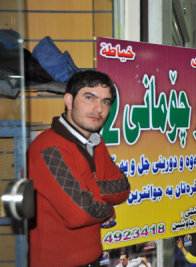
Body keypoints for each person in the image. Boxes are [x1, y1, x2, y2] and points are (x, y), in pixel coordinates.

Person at [28, 70, 131, 266]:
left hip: (94, 258)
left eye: (105, 102)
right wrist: (108, 209)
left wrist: (87, 188)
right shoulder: (48, 148)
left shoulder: (95, 142)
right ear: (69, 100)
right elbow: (80, 213)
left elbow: (123, 188)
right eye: (89, 97)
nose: (98, 108)